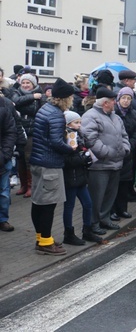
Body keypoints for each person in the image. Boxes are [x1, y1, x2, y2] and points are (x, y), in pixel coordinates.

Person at [29, 78, 77, 255]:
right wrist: (71, 149)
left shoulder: (45, 109)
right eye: (71, 97)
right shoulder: (56, 115)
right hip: (50, 164)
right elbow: (56, 142)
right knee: (48, 204)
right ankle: (45, 243)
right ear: (65, 98)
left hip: (38, 161)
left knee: (38, 202)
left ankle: (41, 238)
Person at [81, 87, 131, 232]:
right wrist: (106, 152)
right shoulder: (90, 116)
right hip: (100, 165)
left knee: (110, 195)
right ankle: (93, 223)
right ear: (105, 103)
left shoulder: (115, 117)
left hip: (116, 163)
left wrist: (125, 149)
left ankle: (105, 218)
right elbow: (90, 138)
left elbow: (124, 135)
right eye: (112, 101)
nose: (115, 103)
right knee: (97, 196)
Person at [61, 111, 102, 245]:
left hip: (80, 175)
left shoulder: (79, 135)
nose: (79, 125)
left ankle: (87, 230)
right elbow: (68, 159)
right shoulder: (67, 136)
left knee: (88, 203)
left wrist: (85, 157)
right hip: (71, 176)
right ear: (68, 124)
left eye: (80, 122)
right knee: (69, 205)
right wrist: (83, 158)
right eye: (76, 123)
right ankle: (68, 233)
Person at [114, 69, 136, 201]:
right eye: (133, 80)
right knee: (126, 168)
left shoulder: (132, 93)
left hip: (133, 137)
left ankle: (130, 189)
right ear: (126, 81)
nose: (135, 83)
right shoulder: (120, 92)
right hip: (124, 141)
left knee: (133, 165)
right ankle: (125, 193)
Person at [11, 72, 45, 198]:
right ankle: (23, 185)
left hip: (31, 131)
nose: (25, 85)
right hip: (18, 130)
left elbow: (33, 110)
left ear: (33, 84)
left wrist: (21, 106)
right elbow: (15, 101)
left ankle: (31, 186)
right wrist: (32, 97)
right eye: (23, 83)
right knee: (20, 159)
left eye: (28, 83)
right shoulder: (17, 92)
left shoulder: (40, 94)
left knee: (28, 158)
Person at [112, 87, 136, 221]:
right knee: (114, 184)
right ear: (119, 99)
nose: (126, 101)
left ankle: (122, 209)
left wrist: (129, 144)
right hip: (115, 151)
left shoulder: (134, 114)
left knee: (125, 182)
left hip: (128, 151)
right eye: (123, 98)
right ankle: (111, 210)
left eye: (128, 98)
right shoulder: (113, 113)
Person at [0, 90, 17, 233]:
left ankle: (2, 219)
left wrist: (5, 154)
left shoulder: (4, 105)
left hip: (2, 158)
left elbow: (10, 131)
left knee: (4, 192)